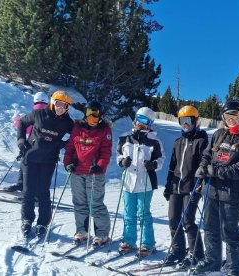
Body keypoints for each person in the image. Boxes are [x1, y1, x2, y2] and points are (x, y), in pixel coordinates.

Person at [192, 101, 239, 276]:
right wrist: (202, 167)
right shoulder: (218, 134)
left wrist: (218, 171)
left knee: (228, 231)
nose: (230, 119)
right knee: (209, 227)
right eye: (227, 116)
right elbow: (207, 155)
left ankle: (235, 268)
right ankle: (212, 261)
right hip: (211, 189)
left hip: (231, 192)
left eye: (234, 116)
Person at [17, 90, 73, 237]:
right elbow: (22, 122)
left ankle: (43, 223)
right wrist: (21, 140)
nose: (61, 108)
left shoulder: (68, 122)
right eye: (59, 104)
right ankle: (27, 220)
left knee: (43, 192)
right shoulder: (39, 114)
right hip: (30, 157)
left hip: (48, 161)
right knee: (28, 191)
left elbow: (75, 138)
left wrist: (61, 144)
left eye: (65, 106)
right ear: (53, 102)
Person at [116, 107, 165, 257]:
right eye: (140, 120)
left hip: (145, 183)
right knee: (129, 213)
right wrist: (122, 161)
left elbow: (161, 159)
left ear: (150, 124)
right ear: (135, 119)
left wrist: (154, 165)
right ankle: (129, 241)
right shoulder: (124, 137)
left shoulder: (154, 140)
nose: (142, 124)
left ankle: (147, 244)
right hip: (128, 182)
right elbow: (118, 155)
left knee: (144, 213)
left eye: (146, 122)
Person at [163, 106, 208, 268]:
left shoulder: (202, 142)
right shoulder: (178, 142)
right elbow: (172, 167)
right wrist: (168, 185)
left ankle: (196, 254)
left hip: (192, 187)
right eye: (182, 121)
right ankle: (178, 250)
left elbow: (205, 162)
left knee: (188, 221)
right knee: (173, 219)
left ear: (196, 121)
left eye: (188, 121)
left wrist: (201, 182)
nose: (185, 125)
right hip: (176, 187)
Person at [63, 100, 112, 246]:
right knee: (79, 203)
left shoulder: (105, 130)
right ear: (85, 113)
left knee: (95, 204)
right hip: (77, 172)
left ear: (100, 115)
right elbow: (70, 147)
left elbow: (106, 152)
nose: (92, 117)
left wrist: (100, 166)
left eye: (95, 114)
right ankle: (82, 231)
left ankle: (102, 234)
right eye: (89, 113)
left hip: (94, 174)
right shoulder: (77, 127)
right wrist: (68, 163)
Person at [4, 92, 50, 192]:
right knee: (37, 168)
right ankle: (33, 190)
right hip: (46, 145)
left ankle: (22, 185)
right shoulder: (48, 113)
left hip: (31, 143)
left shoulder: (35, 113)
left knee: (26, 164)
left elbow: (28, 128)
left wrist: (17, 121)